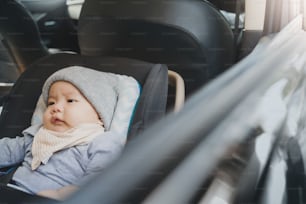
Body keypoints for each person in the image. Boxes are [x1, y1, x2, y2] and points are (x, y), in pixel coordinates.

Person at [0, 67, 123, 200]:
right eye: (51, 103)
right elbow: (8, 150)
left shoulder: (102, 141)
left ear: (99, 112)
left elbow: (101, 176)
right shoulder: (39, 134)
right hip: (11, 191)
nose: (56, 108)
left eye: (70, 101)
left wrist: (65, 194)